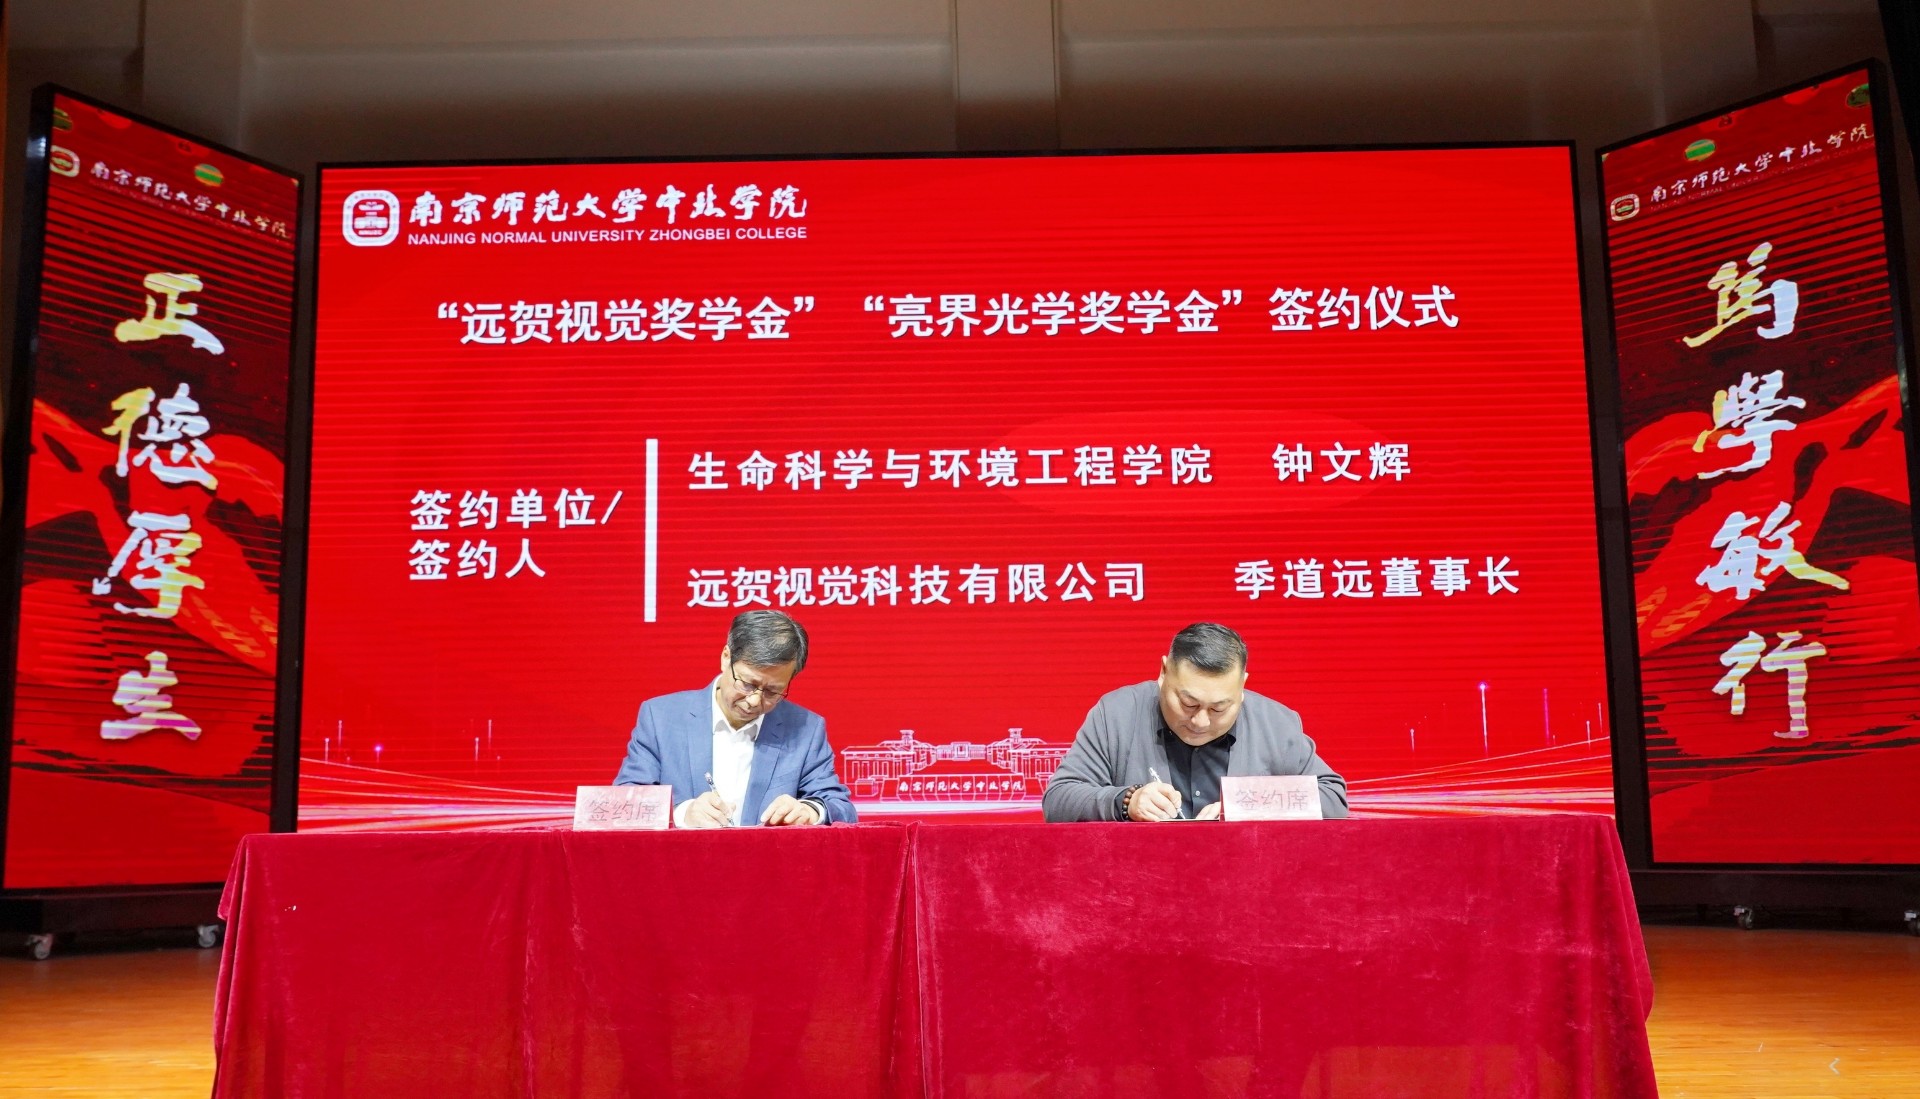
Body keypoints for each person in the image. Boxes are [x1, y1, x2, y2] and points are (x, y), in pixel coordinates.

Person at [1042, 622, 1348, 822]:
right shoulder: (1116, 714)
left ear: (1242, 685)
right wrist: (1125, 801)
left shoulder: (1275, 723)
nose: (1200, 721)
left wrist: (1247, 806)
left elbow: (1333, 798)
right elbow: (1059, 799)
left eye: (1219, 708)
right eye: (1188, 704)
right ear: (1163, 672)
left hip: (1246, 883)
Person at [614, 610, 856, 827]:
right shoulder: (661, 718)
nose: (755, 701)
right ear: (726, 657)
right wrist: (683, 813)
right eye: (747, 684)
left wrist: (810, 811)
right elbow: (623, 803)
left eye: (772, 691)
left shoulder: (805, 729)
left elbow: (840, 807)